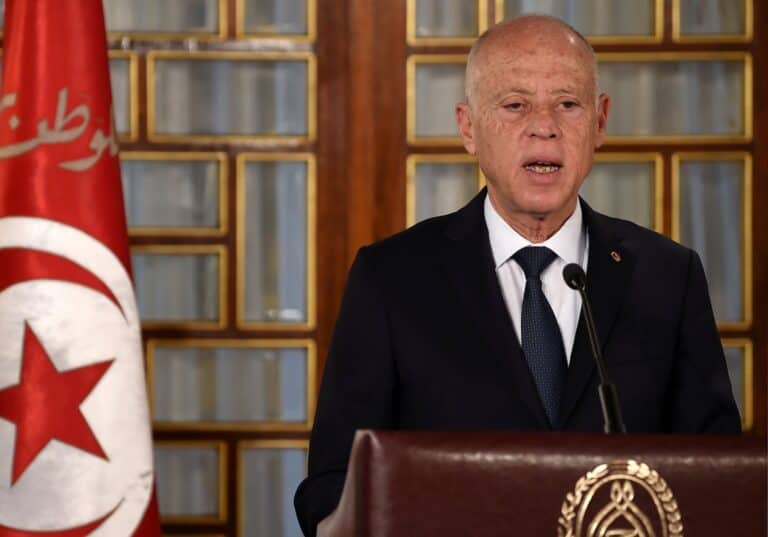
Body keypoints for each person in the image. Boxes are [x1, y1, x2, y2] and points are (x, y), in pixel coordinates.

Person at [294, 14, 741, 536]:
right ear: (468, 127)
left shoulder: (668, 277)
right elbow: (332, 485)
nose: (544, 126)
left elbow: (718, 478)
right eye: (515, 105)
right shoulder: (392, 279)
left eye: (567, 104)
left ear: (600, 121)